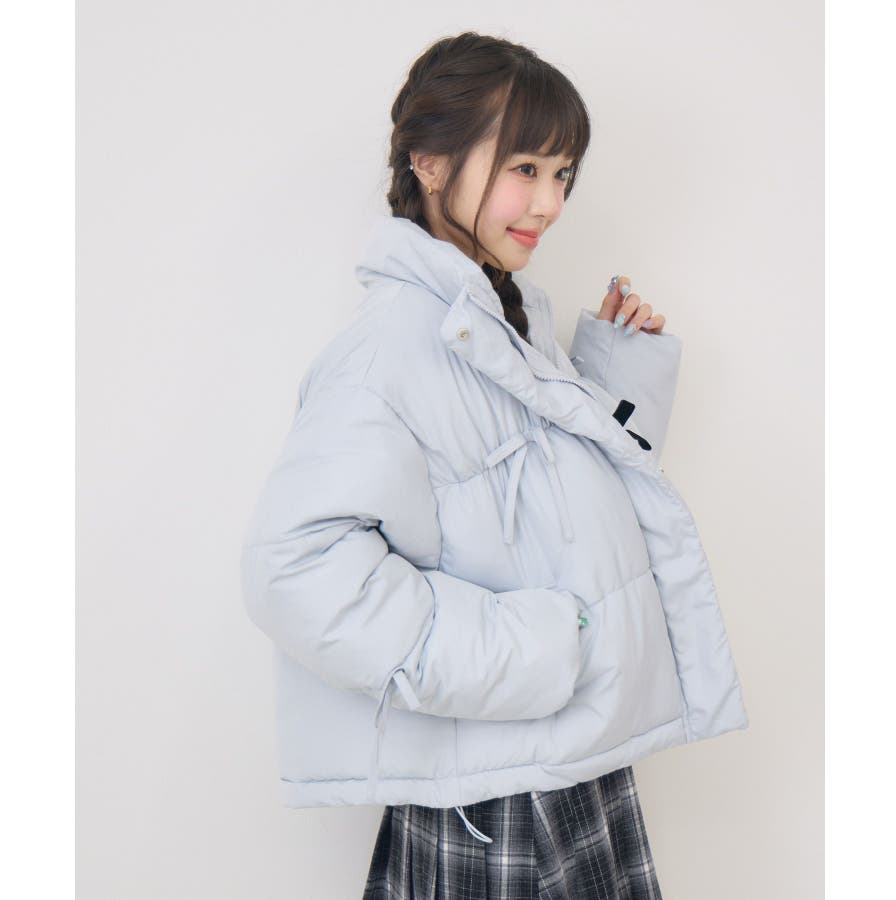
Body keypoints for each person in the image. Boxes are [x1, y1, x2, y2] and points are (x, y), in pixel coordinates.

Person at [240, 31, 749, 899]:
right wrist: (535, 649)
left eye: (563, 174)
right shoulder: (390, 349)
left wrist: (613, 379)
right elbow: (293, 571)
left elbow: (544, 523)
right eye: (525, 167)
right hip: (498, 791)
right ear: (430, 163)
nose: (549, 203)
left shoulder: (500, 324)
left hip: (561, 760)